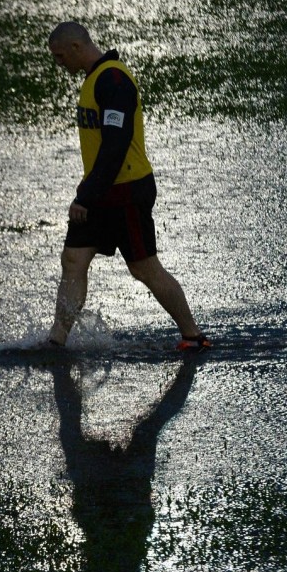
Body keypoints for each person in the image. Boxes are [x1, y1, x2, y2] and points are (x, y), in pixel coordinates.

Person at [44, 21, 210, 351]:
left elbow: (116, 146)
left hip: (125, 191)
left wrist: (85, 196)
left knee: (144, 268)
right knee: (74, 260)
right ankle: (56, 341)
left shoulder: (114, 80)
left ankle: (192, 336)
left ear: (77, 47)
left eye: (61, 56)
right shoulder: (95, 80)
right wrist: (90, 192)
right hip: (101, 189)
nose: (59, 64)